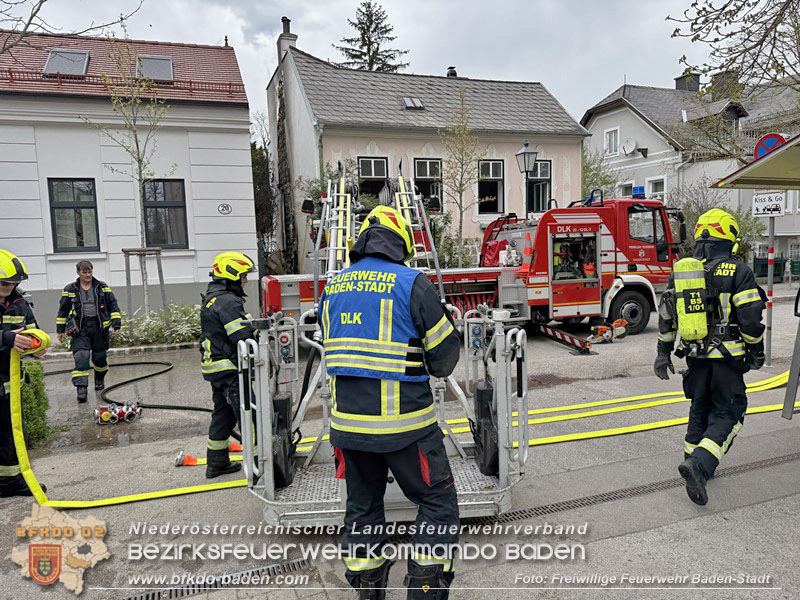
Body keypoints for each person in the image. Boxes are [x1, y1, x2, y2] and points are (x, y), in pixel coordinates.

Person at [319, 206, 461, 599]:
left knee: (363, 510)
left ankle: (369, 593)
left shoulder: (333, 287)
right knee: (437, 502)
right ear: (401, 243)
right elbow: (445, 358)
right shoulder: (412, 283)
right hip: (406, 428)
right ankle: (425, 590)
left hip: (348, 429)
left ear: (361, 241)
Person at [654, 209, 765, 506]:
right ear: (728, 238)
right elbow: (751, 319)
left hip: (695, 356)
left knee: (700, 407)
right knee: (729, 414)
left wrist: (662, 353)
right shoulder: (739, 271)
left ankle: (692, 458)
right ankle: (700, 465)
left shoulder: (684, 271)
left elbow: (667, 317)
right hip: (728, 359)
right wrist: (756, 350)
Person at [199, 251, 256, 479]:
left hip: (216, 368)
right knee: (249, 414)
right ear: (231, 275)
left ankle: (217, 462)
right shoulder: (227, 301)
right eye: (243, 275)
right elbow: (241, 334)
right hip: (229, 368)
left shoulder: (215, 297)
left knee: (223, 415)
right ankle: (260, 466)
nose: (246, 280)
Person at [0, 249, 47, 497]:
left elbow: (32, 332)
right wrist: (6, 338)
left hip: (9, 386)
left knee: (12, 436)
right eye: (4, 282)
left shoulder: (19, 303)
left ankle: (10, 482)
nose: (9, 287)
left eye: (13, 282)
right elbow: (10, 338)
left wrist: (37, 346)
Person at [56, 261, 122, 403]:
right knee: (81, 356)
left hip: (99, 328)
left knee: (99, 358)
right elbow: (63, 310)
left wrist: (116, 324)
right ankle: (81, 388)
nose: (88, 275)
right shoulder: (70, 289)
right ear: (78, 273)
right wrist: (60, 330)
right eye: (84, 272)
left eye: (90, 272)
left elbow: (113, 305)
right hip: (80, 329)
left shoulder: (102, 287)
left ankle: (99, 378)